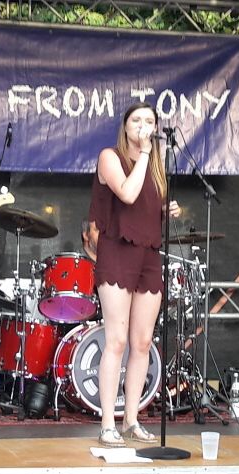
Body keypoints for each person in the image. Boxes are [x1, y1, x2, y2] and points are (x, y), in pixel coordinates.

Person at [89, 102, 180, 447]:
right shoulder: (109, 157)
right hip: (117, 251)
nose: (143, 126)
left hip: (149, 254)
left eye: (149, 121)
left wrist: (166, 209)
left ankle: (131, 419)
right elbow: (127, 194)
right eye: (137, 120)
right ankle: (107, 423)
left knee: (142, 342)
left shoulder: (155, 165)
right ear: (125, 126)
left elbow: (145, 205)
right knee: (117, 340)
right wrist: (144, 153)